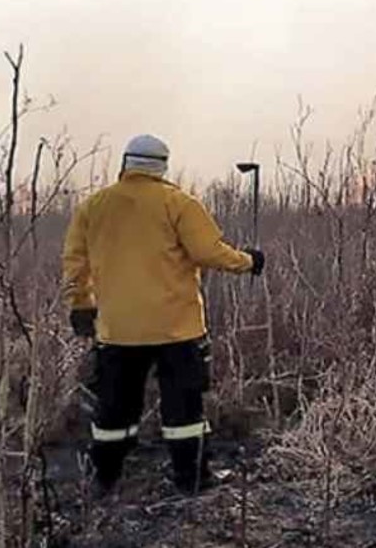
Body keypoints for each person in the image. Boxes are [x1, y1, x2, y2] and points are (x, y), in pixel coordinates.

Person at [62, 134, 265, 495]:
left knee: (115, 410)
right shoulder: (178, 203)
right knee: (184, 410)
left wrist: (80, 305)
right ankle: (192, 481)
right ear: (162, 167)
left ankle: (104, 479)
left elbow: (75, 264)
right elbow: (208, 251)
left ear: (125, 163)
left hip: (117, 330)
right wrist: (248, 261)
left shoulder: (93, 206)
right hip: (177, 329)